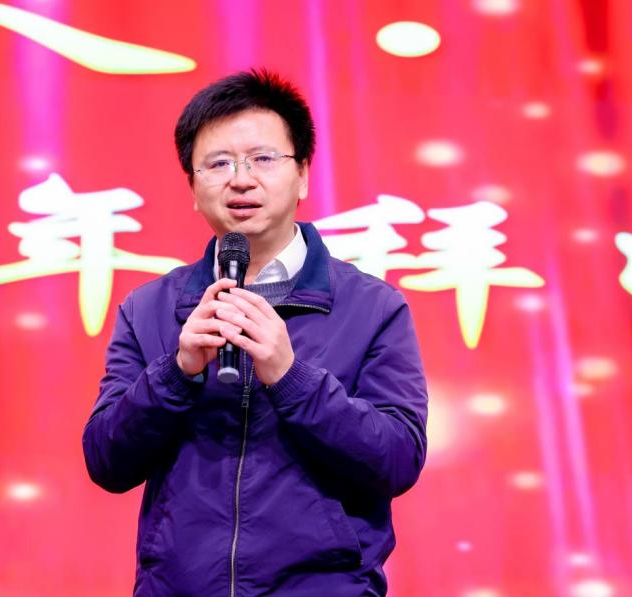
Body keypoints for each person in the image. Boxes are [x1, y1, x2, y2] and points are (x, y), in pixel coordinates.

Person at [82, 69, 428, 596]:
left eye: (263, 159)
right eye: (218, 163)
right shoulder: (149, 309)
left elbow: (398, 460)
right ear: (193, 188)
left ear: (303, 175)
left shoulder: (373, 307)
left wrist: (292, 378)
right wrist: (176, 373)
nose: (241, 180)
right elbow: (106, 462)